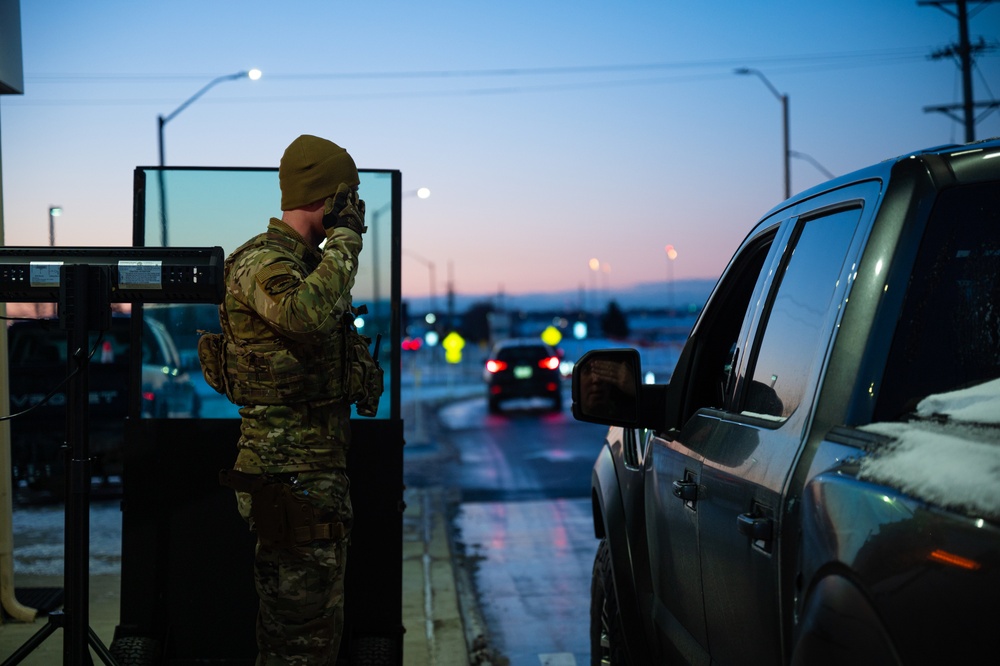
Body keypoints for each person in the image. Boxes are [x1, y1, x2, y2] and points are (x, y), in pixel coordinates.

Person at [211, 134, 367, 665]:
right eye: (349, 198)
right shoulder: (265, 263)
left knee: (309, 638)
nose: (355, 209)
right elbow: (302, 316)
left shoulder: (302, 264)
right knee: (298, 646)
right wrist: (345, 240)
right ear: (329, 198)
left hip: (310, 475)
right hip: (289, 480)